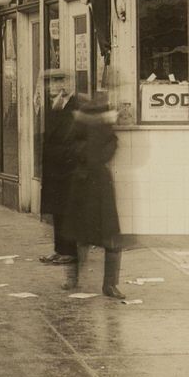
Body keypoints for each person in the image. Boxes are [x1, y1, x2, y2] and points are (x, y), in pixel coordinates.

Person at [59, 94, 124, 299]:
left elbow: (70, 148)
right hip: (92, 183)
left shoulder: (82, 126)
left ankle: (74, 279)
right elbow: (109, 148)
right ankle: (109, 284)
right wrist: (92, 159)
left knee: (80, 234)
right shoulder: (103, 127)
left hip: (87, 183)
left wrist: (86, 158)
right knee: (108, 236)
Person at [38, 69, 80, 266]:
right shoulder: (55, 105)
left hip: (67, 168)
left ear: (67, 85)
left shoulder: (75, 105)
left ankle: (69, 251)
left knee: (66, 210)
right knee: (57, 210)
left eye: (55, 83)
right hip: (56, 168)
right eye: (49, 83)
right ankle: (59, 249)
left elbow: (72, 138)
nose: (50, 87)